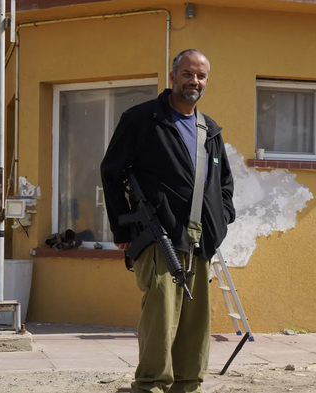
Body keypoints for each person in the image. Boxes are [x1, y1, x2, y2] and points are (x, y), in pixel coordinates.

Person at [100, 49, 235, 393]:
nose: (194, 81)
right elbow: (111, 172)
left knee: (196, 323)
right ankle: (151, 387)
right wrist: (121, 228)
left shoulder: (211, 131)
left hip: (200, 241)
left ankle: (188, 385)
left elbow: (224, 187)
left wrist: (220, 220)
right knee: (160, 320)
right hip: (158, 238)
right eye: (188, 74)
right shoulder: (143, 119)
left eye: (201, 76)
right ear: (173, 76)